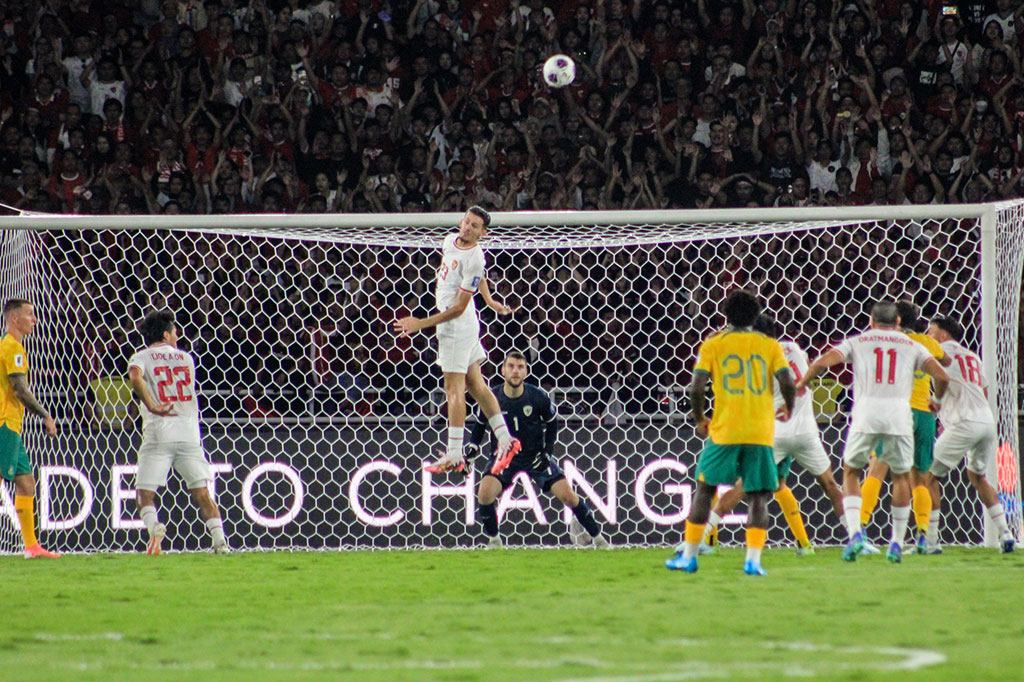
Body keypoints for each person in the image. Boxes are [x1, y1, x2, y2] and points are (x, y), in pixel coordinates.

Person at [797, 302, 949, 563]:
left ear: (871, 320)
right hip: (902, 416)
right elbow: (943, 374)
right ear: (898, 323)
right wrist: (938, 400)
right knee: (904, 477)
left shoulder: (859, 340)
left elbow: (823, 361)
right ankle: (898, 542)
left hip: (866, 415)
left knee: (853, 471)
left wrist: (802, 382)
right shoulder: (914, 344)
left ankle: (857, 532)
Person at [666, 290, 795, 576]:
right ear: (755, 316)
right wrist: (789, 407)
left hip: (724, 429)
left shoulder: (713, 344)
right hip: (760, 430)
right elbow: (787, 380)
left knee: (705, 489)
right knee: (759, 496)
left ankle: (688, 556)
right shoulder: (770, 345)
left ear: (726, 315)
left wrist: (700, 418)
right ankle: (753, 561)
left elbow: (697, 387)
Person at [695, 315, 845, 556]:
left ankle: (700, 539)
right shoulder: (794, 348)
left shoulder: (759, 358)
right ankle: (850, 537)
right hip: (807, 430)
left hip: (774, 431)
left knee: (742, 488)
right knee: (827, 484)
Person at [393, 206, 520, 475]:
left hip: (457, 326)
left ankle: (454, 454)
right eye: (466, 221)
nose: (467, 227)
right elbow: (476, 279)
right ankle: (507, 441)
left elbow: (459, 307)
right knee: (476, 384)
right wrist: (489, 299)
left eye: (474, 226)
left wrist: (419, 324)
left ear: (482, 233)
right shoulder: (449, 240)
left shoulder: (475, 257)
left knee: (454, 389)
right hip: (464, 325)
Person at [468, 351, 609, 549]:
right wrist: (472, 449)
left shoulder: (537, 396)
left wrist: (547, 452)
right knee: (484, 494)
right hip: (504, 458)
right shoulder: (492, 397)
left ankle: (600, 540)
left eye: (520, 367)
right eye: (511, 366)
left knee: (568, 495)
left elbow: (552, 424)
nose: (515, 371)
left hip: (535, 457)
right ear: (503, 370)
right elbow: (480, 426)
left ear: (526, 371)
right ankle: (494, 541)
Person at [128, 310, 229, 555]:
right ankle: (220, 542)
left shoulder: (140, 356)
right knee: (202, 492)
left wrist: (151, 404)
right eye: (174, 332)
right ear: (166, 333)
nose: (177, 336)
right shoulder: (186, 358)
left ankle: (154, 529)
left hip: (158, 432)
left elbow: (134, 376)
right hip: (189, 434)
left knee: (144, 494)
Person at [858, 300, 951, 553]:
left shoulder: (889, 342)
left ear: (896, 319)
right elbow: (947, 362)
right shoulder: (926, 343)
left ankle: (861, 532)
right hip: (924, 413)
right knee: (920, 477)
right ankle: (923, 537)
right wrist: (937, 398)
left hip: (895, 410)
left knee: (876, 470)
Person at [922, 316, 1015, 554]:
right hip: (985, 422)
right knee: (978, 477)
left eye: (931, 331)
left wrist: (938, 403)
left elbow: (942, 380)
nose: (927, 335)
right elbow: (982, 389)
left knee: (929, 478)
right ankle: (1006, 533)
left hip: (964, 423)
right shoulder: (972, 356)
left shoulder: (939, 352)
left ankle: (931, 542)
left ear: (943, 336)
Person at [0, 299, 59, 559]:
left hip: (13, 425)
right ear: (14, 319)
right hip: (5, 424)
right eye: (29, 314)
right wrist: (46, 415)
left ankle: (32, 547)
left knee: (26, 483)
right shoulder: (12, 348)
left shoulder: (9, 346)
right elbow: (20, 390)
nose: (34, 319)